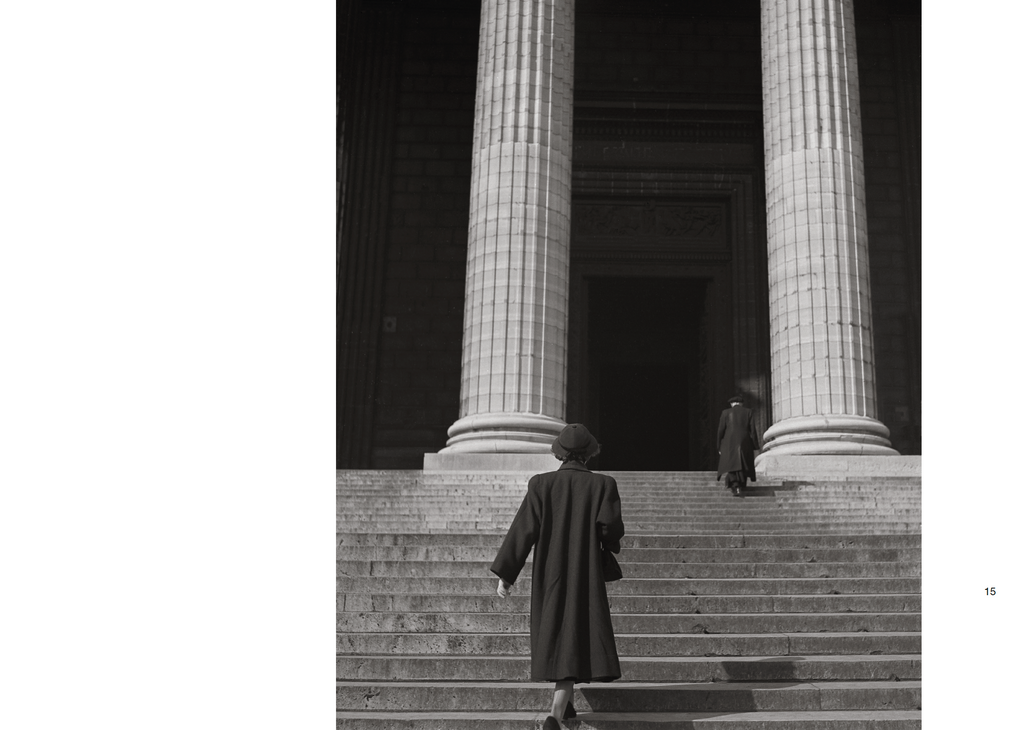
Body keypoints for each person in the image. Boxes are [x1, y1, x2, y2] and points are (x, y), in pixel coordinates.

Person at [490, 423, 624, 730]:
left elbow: (522, 531)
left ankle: (563, 709)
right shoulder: (603, 484)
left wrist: (506, 575)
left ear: (559, 452)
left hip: (549, 571)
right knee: (577, 630)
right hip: (585, 569)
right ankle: (555, 713)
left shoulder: (540, 484)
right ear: (590, 452)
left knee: (558, 631)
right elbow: (610, 528)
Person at [716, 393, 759, 496]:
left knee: (731, 463)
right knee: (743, 463)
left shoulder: (725, 413)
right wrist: (755, 446)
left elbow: (720, 431)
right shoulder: (748, 412)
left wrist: (719, 445)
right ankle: (741, 484)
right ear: (741, 404)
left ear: (732, 404)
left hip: (729, 442)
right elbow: (753, 430)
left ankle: (735, 486)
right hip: (745, 441)